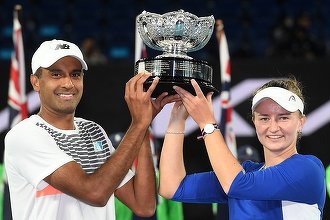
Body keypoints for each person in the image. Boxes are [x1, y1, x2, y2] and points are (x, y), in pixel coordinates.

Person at [4, 39, 180, 220]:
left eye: (75, 74)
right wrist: (138, 124)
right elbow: (95, 193)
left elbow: (144, 206)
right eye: (56, 74)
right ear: (36, 82)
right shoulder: (24, 135)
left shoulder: (93, 131)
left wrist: (143, 125)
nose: (68, 84)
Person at [159, 76, 326, 219]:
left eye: (283, 118)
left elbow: (237, 184)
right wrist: (177, 121)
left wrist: (207, 124)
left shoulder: (309, 169)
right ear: (254, 121)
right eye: (264, 118)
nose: (273, 127)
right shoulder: (245, 173)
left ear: (301, 122)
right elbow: (172, 187)